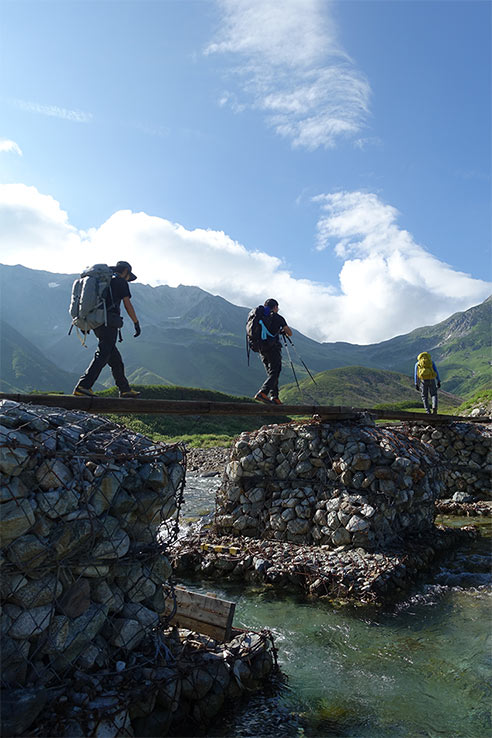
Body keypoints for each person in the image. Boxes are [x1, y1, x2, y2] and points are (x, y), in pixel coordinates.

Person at [73, 261, 142, 398]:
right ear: (125, 272)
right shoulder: (121, 282)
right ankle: (83, 386)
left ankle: (124, 389)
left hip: (97, 322)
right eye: (129, 276)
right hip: (109, 322)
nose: (128, 279)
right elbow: (127, 304)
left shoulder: (105, 281)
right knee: (103, 354)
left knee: (115, 359)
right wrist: (136, 322)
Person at [254, 298, 292, 405]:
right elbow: (289, 333)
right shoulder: (278, 318)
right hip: (273, 348)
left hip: (261, 348)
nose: (278, 309)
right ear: (275, 307)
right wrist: (283, 330)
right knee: (276, 371)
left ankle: (275, 397)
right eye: (277, 307)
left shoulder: (260, 317)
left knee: (272, 373)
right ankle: (263, 392)